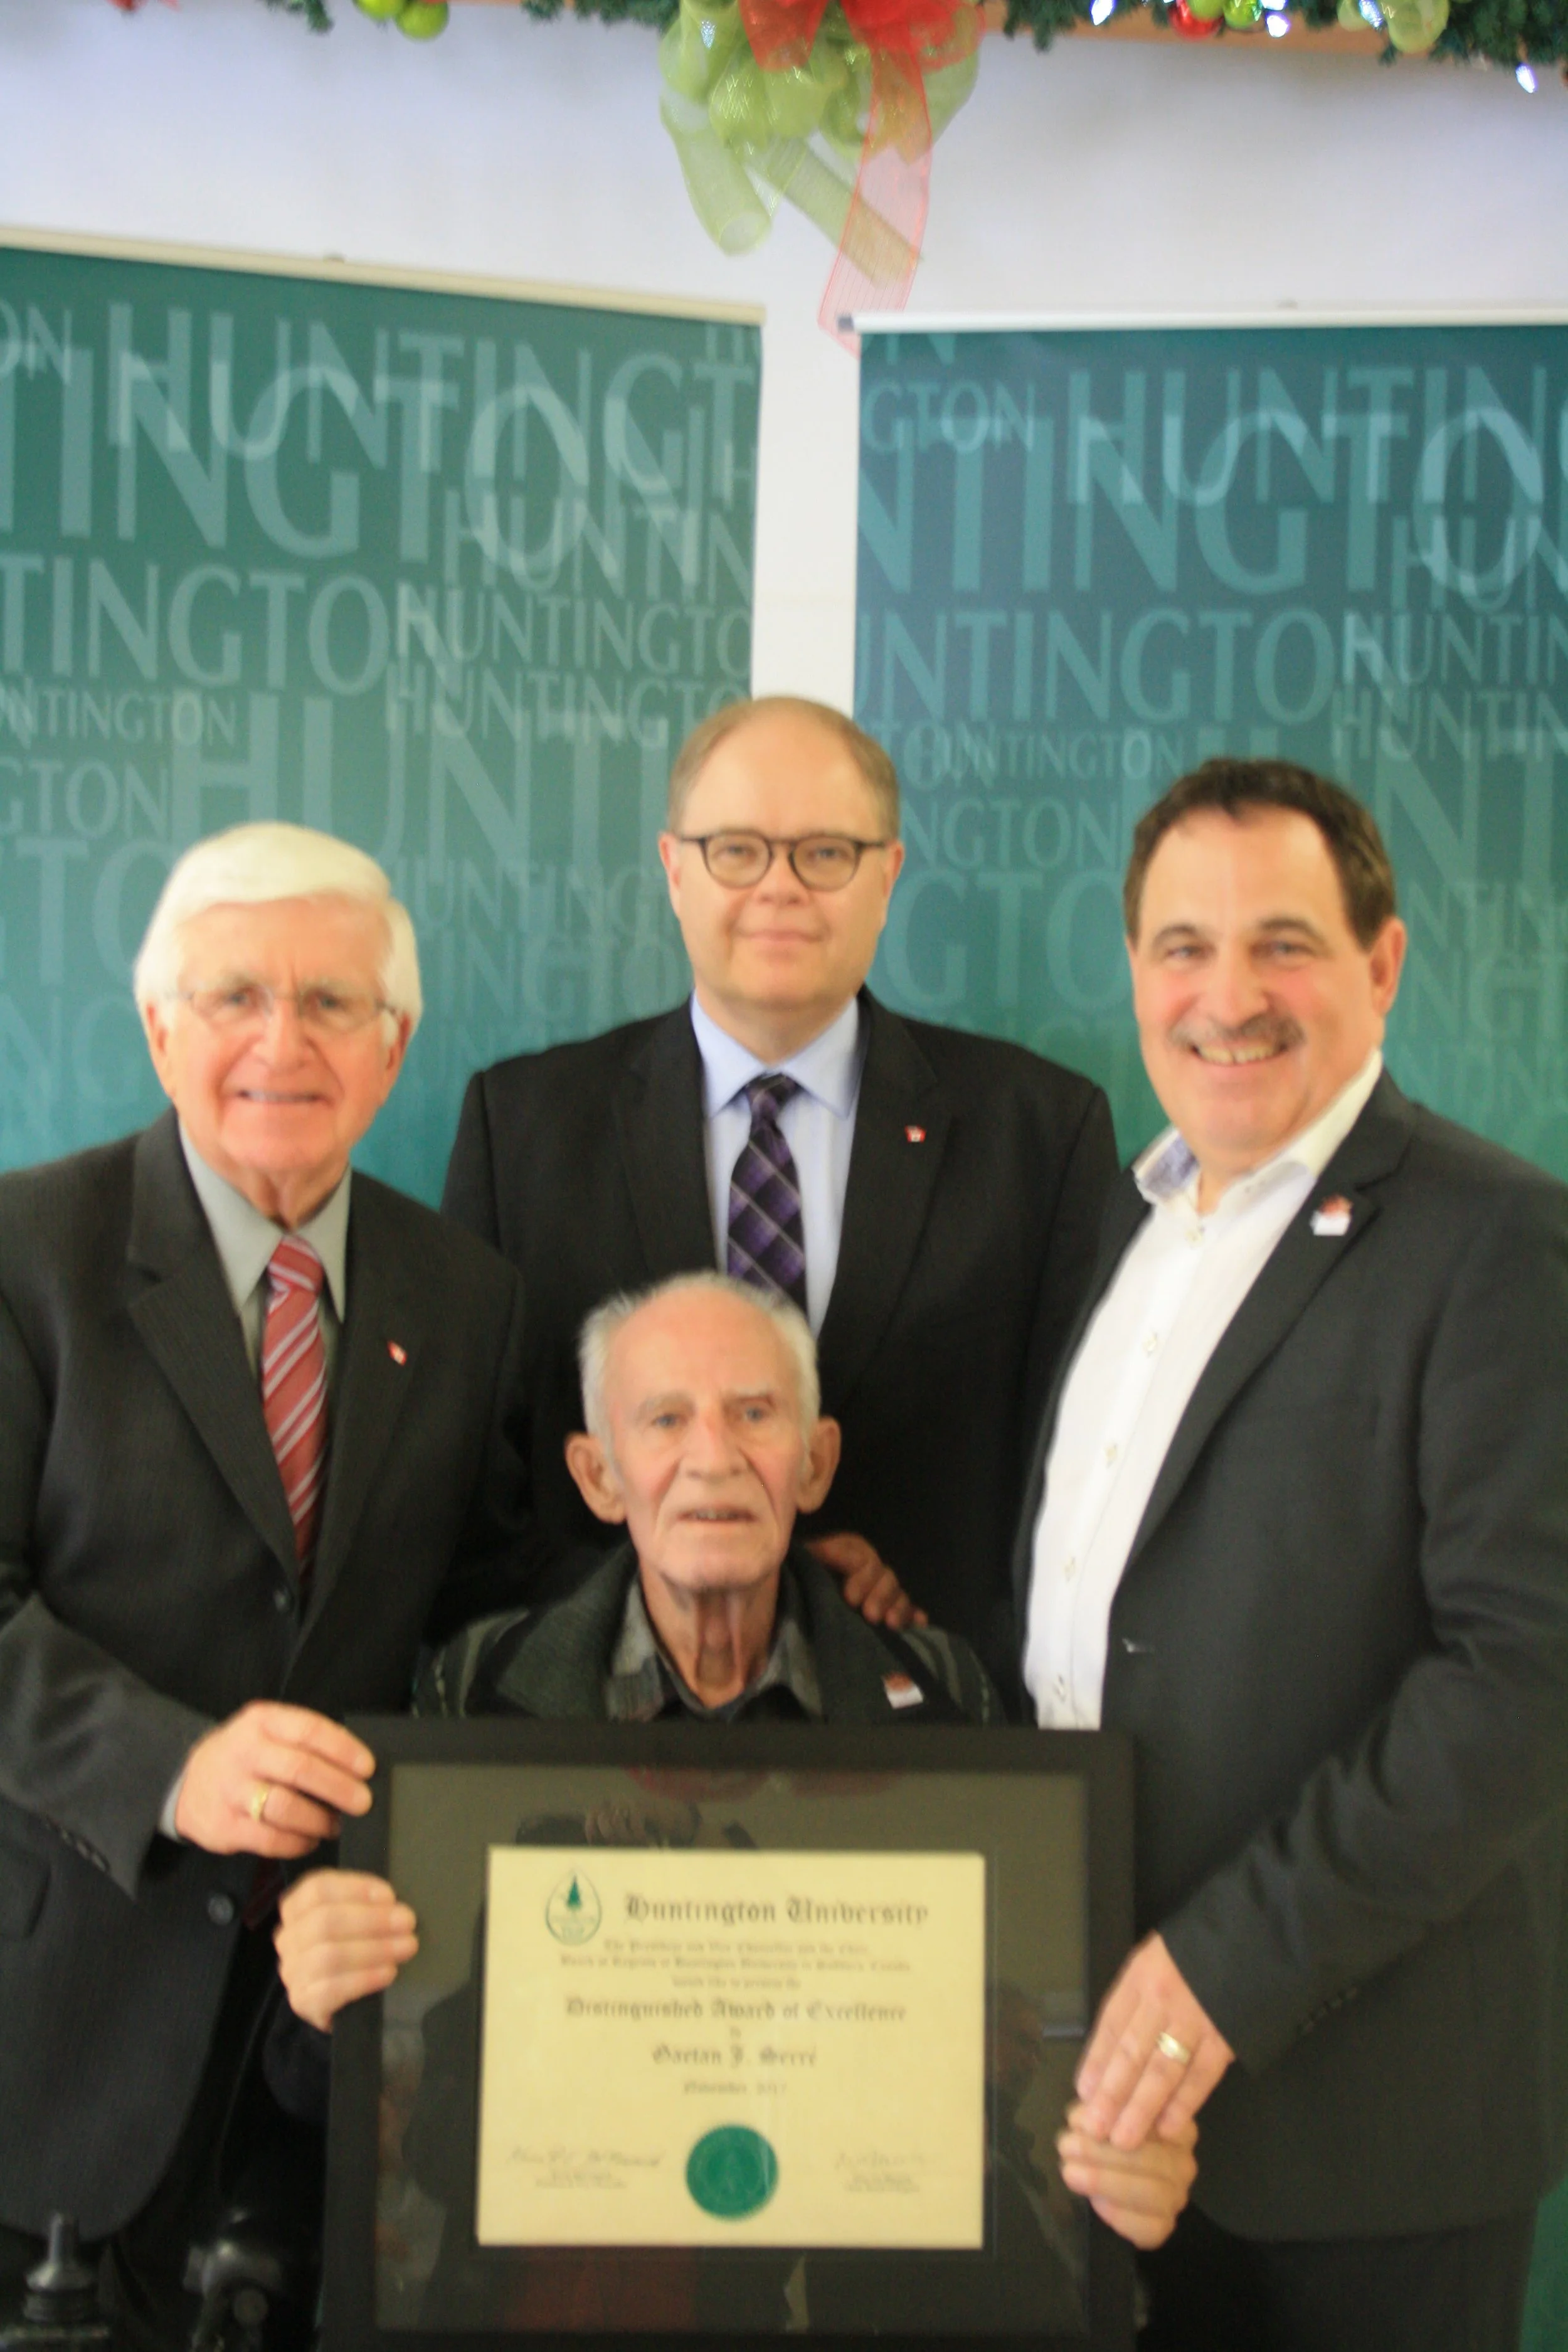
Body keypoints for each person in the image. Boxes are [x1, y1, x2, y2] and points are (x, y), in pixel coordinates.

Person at [276, 1273, 1197, 2292]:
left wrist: (1115, 2151)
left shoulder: (946, 1699)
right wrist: (330, 2012)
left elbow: (995, 2049)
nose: (713, 1457)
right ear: (598, 1475)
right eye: (664, 1417)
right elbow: (376, 2088)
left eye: (755, 1413)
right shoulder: (471, 1695)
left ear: (813, 1462)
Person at [1014, 757, 1568, 2351]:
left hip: (1353, 2135)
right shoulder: (1126, 1230)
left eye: (1283, 943)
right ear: (1132, 975)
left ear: (1381, 965)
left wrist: (1216, 1976)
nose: (1225, 995)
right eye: (1181, 947)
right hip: (1102, 2117)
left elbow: (1523, 1677)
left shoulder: (1496, 1245)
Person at [0, 824, 540, 2348]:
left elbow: (484, 1623)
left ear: (396, 1046)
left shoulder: (470, 1298)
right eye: (235, 997)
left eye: (330, 1004)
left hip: (349, 2042)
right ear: (160, 1029)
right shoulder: (25, 1253)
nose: (279, 1043)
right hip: (58, 2043)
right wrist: (176, 1766)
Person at [442, 696, 1118, 1692]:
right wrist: (671, 1601)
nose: (781, 887)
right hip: (607, 1738)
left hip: (937, 1732)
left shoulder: (1040, 1132)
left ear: (887, 875)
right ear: (675, 870)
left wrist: (919, 1628)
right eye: (738, 851)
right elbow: (477, 1489)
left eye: (826, 853)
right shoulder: (526, 1126)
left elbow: (1081, 1479)